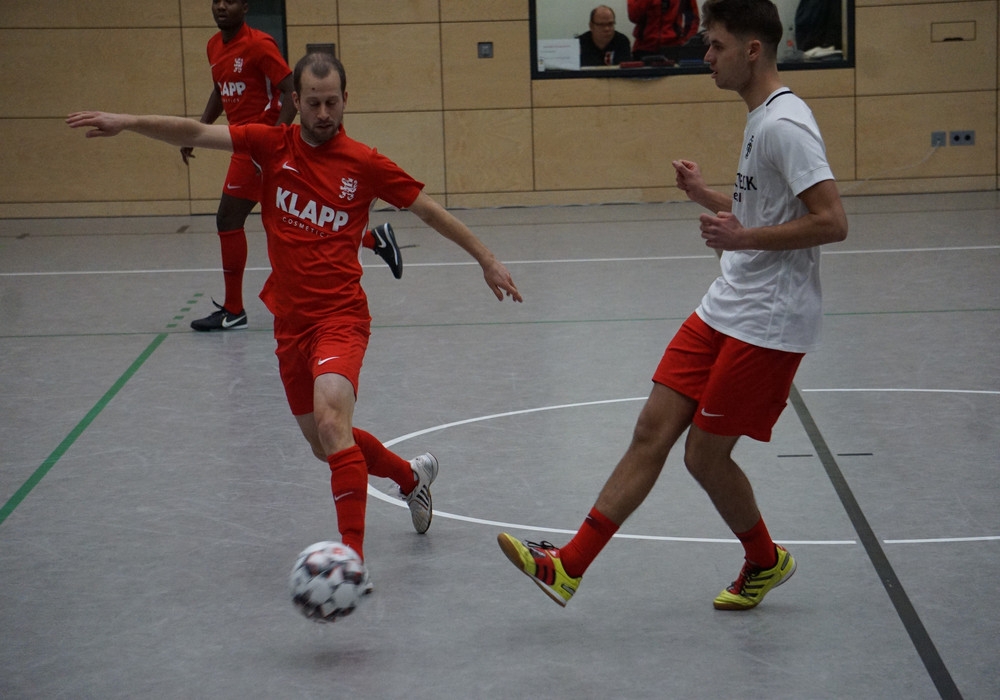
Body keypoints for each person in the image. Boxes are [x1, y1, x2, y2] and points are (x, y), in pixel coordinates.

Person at [68, 52, 522, 583]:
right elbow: (194, 131)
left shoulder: (364, 163)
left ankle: (350, 560)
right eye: (313, 103)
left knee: (331, 422)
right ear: (295, 102)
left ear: (345, 100)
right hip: (290, 323)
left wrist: (486, 258)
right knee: (324, 443)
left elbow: (428, 210)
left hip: (341, 318)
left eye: (332, 103)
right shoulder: (270, 144)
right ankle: (411, 477)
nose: (324, 113)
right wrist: (128, 122)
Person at [498, 0, 847, 611]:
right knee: (650, 431)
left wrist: (743, 239)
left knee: (703, 457)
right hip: (726, 303)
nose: (706, 55)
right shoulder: (760, 118)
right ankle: (568, 567)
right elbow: (762, 210)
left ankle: (766, 561)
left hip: (768, 319)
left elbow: (833, 221)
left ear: (753, 50)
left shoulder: (786, 125)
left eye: (716, 45)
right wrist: (706, 196)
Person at [187, 0, 402, 332]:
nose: (221, 7)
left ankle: (234, 309)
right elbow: (220, 91)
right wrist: (199, 130)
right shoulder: (214, 46)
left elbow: (291, 91)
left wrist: (273, 144)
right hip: (242, 142)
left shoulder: (259, 45)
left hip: (259, 144)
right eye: (216, 1)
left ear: (245, 6)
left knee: (228, 218)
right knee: (295, 218)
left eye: (230, 0)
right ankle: (374, 240)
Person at [628, 0, 701, 60]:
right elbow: (634, 16)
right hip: (643, 48)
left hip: (674, 48)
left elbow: (692, 18)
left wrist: (686, 41)